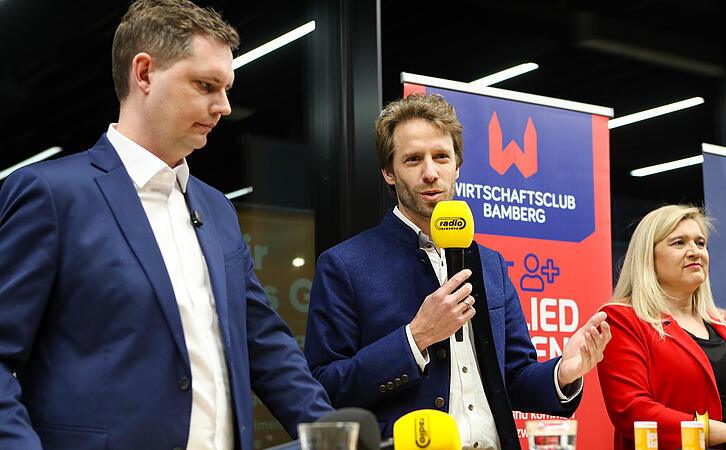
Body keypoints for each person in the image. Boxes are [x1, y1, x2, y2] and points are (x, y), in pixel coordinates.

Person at [0, 1, 332, 448]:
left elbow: (265, 345)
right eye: (206, 85)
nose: (225, 106)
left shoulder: (217, 210)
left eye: (227, 88)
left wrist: (334, 436)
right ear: (144, 74)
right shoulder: (52, 194)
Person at [304, 94, 611, 450]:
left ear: (458, 165)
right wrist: (415, 338)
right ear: (388, 172)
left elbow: (513, 379)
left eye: (441, 157)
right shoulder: (344, 264)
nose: (431, 173)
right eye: (413, 159)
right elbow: (324, 387)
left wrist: (565, 371)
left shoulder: (490, 263)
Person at [597, 205, 726, 450]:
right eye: (679, 243)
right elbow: (633, 412)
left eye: (701, 243)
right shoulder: (621, 319)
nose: (695, 251)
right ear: (647, 257)